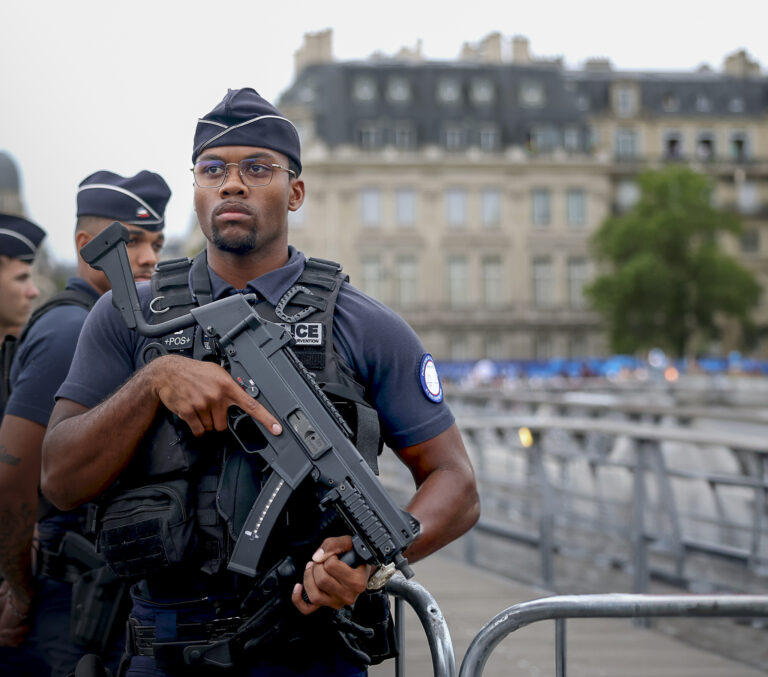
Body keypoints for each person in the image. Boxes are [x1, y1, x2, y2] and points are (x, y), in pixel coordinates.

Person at [41, 88, 479, 676]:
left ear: (295, 191)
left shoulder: (363, 324)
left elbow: (456, 483)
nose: (232, 184)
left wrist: (368, 560)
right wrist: (155, 381)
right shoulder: (128, 317)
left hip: (308, 649)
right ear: (196, 188)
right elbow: (59, 480)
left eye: (257, 168)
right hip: (163, 651)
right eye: (213, 169)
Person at [0, 170, 170, 676]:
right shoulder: (72, 326)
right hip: (66, 598)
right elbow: (13, 479)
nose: (148, 257)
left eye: (156, 242)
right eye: (132, 240)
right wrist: (21, 590)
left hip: (99, 594)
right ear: (86, 244)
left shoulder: (115, 322)